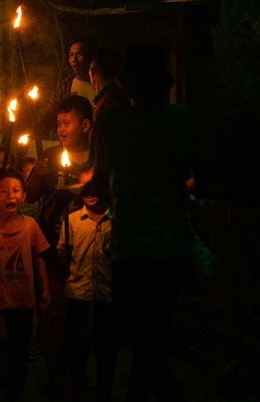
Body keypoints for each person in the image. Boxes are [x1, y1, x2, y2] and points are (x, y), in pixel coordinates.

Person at [87, 42, 195, 402]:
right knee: (155, 338)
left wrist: (71, 189)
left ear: (127, 83)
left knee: (139, 342)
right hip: (171, 244)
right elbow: (193, 174)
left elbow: (99, 182)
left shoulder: (115, 122)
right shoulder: (181, 119)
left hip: (133, 245)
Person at [26, 95, 94, 394]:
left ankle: (78, 373)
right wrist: (38, 177)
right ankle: (55, 372)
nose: (61, 129)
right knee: (53, 312)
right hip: (53, 245)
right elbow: (30, 195)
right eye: (58, 123)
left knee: (84, 316)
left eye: (67, 123)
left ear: (86, 125)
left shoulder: (98, 159)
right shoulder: (51, 157)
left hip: (89, 247)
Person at [0, 168, 51, 402]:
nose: (11, 195)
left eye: (16, 190)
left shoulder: (30, 225)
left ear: (24, 196)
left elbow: (39, 256)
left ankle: (16, 392)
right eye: (4, 191)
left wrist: (44, 288)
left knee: (19, 350)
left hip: (23, 300)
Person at [58, 173, 116, 402]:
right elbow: (63, 249)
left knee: (105, 346)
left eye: (95, 188)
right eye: (86, 188)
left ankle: (105, 389)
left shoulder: (115, 220)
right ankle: (75, 384)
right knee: (75, 343)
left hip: (106, 292)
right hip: (78, 290)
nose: (90, 193)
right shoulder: (71, 220)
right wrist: (62, 254)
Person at [44, 36, 97, 140]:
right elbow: (51, 112)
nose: (74, 60)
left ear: (90, 57)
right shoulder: (66, 86)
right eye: (71, 55)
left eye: (79, 54)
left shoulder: (100, 85)